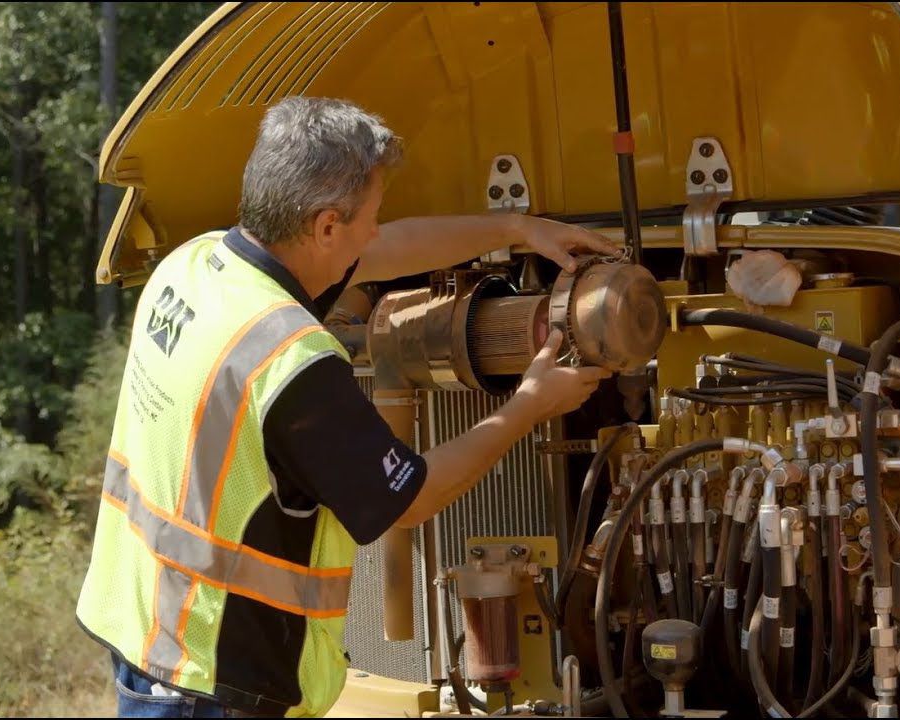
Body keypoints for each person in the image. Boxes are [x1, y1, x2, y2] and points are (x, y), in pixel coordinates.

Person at [76, 96, 618, 718]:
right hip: (216, 680)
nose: (376, 233)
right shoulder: (290, 359)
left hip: (146, 631)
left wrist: (519, 229)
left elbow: (389, 251)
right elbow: (412, 498)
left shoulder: (194, 265)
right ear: (326, 226)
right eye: (371, 217)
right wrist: (529, 406)